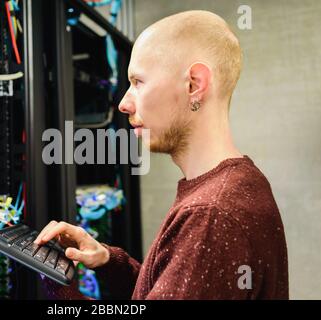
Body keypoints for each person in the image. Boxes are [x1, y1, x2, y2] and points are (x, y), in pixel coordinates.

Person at [34, 10, 288, 299]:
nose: (123, 104)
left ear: (194, 84)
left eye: (138, 82)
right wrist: (108, 261)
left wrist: (60, 289)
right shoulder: (241, 182)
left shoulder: (210, 215)